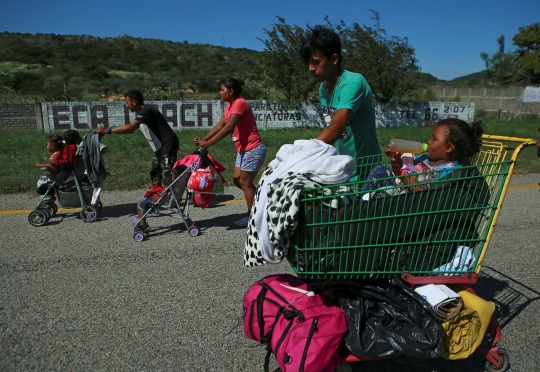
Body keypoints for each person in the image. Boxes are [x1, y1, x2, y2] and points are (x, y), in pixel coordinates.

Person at [300, 25, 381, 181]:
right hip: (341, 170)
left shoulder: (353, 83)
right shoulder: (323, 88)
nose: (311, 68)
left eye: (316, 62)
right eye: (309, 63)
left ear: (334, 59)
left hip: (364, 172)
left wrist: (303, 155)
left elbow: (336, 127)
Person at [193, 77, 267, 227]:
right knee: (237, 181)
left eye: (222, 90)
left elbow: (228, 129)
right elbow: (220, 125)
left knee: (245, 183)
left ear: (231, 91)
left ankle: (253, 218)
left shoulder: (240, 103)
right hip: (243, 150)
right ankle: (260, 198)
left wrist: (207, 143)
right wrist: (203, 140)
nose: (219, 93)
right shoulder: (229, 106)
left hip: (252, 149)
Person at [366, 119, 483, 193]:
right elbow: (400, 176)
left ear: (449, 147)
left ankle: (365, 208)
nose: (429, 141)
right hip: (398, 192)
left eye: (434, 138)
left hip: (410, 206)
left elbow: (423, 195)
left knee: (381, 197)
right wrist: (396, 161)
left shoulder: (450, 173)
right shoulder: (423, 158)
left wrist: (409, 179)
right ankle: (362, 205)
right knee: (380, 170)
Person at [96, 89, 180, 186]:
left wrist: (107, 131)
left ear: (134, 102)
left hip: (168, 144)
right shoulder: (143, 112)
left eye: (127, 102)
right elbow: (133, 128)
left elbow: (130, 128)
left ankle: (172, 195)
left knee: (167, 172)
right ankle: (157, 193)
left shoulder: (147, 110)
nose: (126, 105)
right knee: (155, 170)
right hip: (160, 145)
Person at [134, 165, 186, 234]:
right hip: (168, 199)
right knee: (140, 203)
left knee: (141, 204)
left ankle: (143, 225)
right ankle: (141, 223)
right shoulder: (179, 182)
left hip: (162, 201)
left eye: (174, 176)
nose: (172, 177)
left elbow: (162, 195)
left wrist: (156, 197)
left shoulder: (170, 183)